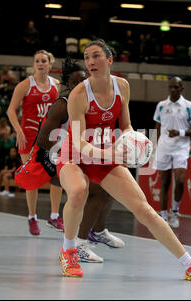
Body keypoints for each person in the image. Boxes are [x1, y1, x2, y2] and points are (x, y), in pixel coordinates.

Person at [56, 39, 191, 282]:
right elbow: (79, 143)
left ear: (109, 60)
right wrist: (112, 154)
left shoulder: (123, 86)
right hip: (74, 154)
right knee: (78, 190)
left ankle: (190, 265)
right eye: (87, 57)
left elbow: (125, 125)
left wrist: (135, 141)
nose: (90, 62)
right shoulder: (79, 94)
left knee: (144, 209)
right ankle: (69, 251)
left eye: (96, 56)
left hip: (106, 153)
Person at [35, 57, 124, 263]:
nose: (81, 85)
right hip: (54, 160)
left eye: (83, 80)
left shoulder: (88, 99)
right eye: (76, 82)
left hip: (79, 157)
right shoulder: (63, 104)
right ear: (67, 84)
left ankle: (97, 231)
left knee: (110, 185)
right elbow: (42, 140)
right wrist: (66, 152)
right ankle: (79, 245)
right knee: (95, 190)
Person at [7, 50, 62, 236]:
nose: (40, 63)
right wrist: (18, 130)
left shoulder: (57, 85)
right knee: (32, 177)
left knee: (57, 175)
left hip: (50, 136)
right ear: (34, 64)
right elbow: (10, 110)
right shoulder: (25, 85)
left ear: (50, 64)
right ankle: (32, 217)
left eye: (43, 60)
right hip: (29, 135)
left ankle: (54, 216)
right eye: (37, 60)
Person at [153, 76, 191, 229]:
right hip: (164, 147)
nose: (173, 90)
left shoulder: (189, 106)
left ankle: (175, 211)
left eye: (176, 87)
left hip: (181, 148)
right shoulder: (161, 105)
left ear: (181, 89)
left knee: (180, 180)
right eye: (171, 87)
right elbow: (158, 127)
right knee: (165, 182)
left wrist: (179, 133)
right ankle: (163, 216)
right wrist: (156, 146)